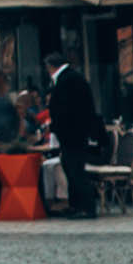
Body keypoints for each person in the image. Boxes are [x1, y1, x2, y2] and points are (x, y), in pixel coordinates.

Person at [46, 44, 102, 220]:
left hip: (73, 134)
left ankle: (87, 207)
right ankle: (76, 205)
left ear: (51, 66)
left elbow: (66, 109)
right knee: (70, 168)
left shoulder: (67, 79)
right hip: (72, 133)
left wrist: (56, 126)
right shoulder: (70, 78)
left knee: (76, 170)